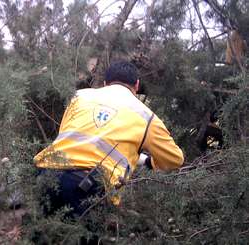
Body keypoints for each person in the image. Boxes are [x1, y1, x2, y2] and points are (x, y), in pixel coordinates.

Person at [34, 61, 184, 217]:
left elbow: (67, 134)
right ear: (137, 85)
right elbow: (175, 159)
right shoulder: (146, 116)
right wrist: (149, 162)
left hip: (46, 174)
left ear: (105, 83)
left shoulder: (79, 96)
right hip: (86, 189)